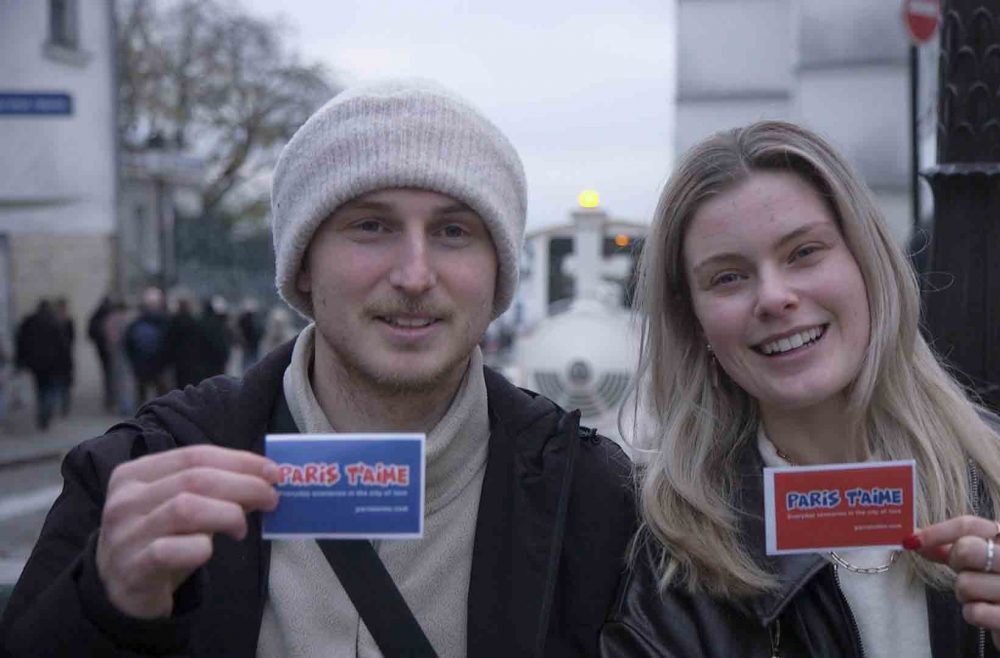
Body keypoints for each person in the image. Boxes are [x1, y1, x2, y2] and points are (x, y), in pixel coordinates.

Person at [0, 79, 634, 657]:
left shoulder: (590, 496)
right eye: (370, 225)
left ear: (497, 272)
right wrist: (108, 608)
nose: (414, 275)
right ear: (302, 262)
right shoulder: (149, 467)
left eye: (453, 232)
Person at [600, 122, 1000, 657]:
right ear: (693, 320)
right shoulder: (660, 556)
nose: (773, 297)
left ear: (870, 266)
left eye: (804, 252)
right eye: (728, 276)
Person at [14, 299, 71, 430]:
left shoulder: (29, 322)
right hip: (52, 363)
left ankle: (43, 413)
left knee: (40, 389)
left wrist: (20, 360)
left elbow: (21, 342)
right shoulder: (54, 322)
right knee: (49, 389)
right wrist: (66, 363)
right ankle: (46, 412)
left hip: (35, 363)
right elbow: (63, 345)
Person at [122, 286, 173, 406]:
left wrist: (133, 361)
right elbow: (170, 344)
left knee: (141, 396)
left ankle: (141, 418)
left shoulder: (137, 322)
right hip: (159, 365)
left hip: (141, 365)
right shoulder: (166, 322)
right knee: (162, 398)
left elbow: (128, 344)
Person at [87, 294, 116, 411]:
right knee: (113, 374)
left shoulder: (97, 314)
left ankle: (109, 397)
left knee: (107, 373)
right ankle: (112, 397)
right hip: (111, 348)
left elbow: (90, 331)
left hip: (101, 349)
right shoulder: (111, 314)